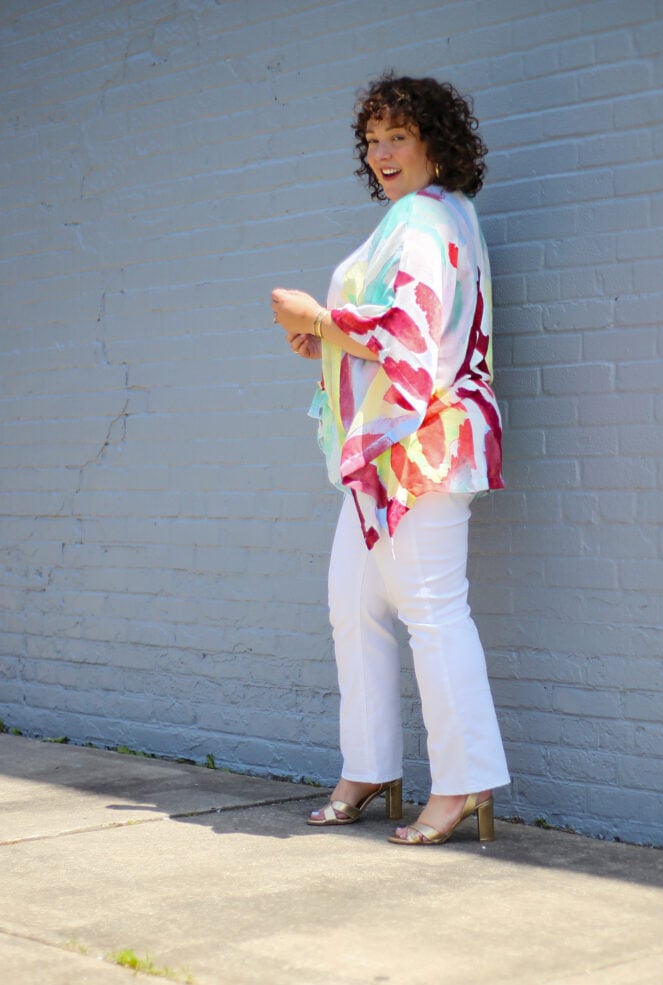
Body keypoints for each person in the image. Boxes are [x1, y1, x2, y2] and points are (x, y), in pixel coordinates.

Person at [271, 73, 510, 846]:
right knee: (355, 604)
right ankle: (369, 765)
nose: (380, 154)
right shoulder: (441, 217)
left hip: (418, 446)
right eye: (371, 141)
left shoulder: (420, 219)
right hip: (396, 450)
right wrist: (329, 335)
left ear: (435, 143)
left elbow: (408, 337)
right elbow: (411, 331)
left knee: (433, 612)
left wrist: (320, 316)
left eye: (396, 137)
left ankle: (464, 783)